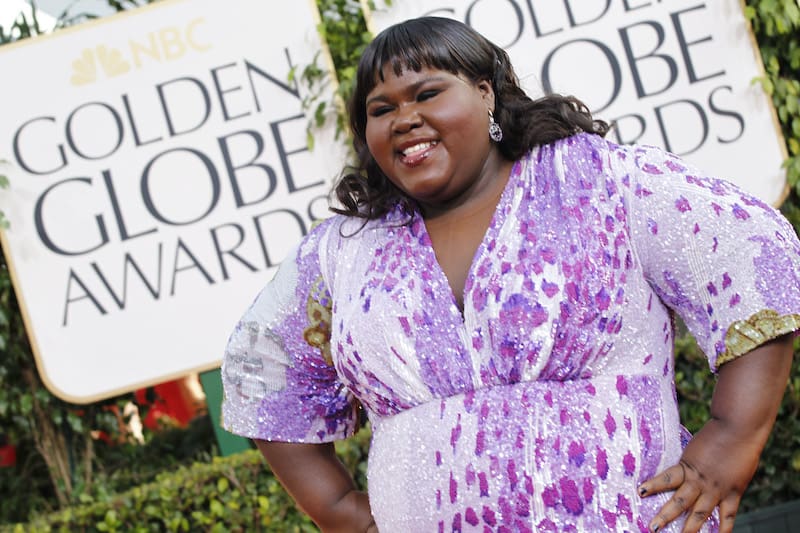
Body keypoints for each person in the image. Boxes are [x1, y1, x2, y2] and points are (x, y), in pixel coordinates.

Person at [221, 16, 799, 533]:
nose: (404, 119)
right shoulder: (342, 251)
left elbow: (751, 251)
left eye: (426, 93)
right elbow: (262, 371)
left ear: (485, 93)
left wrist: (730, 440)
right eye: (381, 109)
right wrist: (341, 511)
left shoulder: (591, 178)